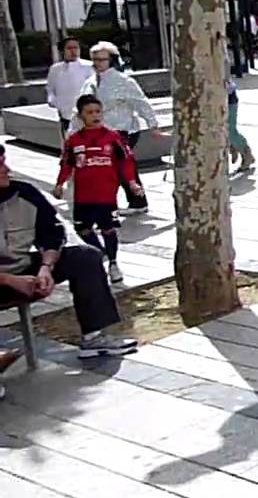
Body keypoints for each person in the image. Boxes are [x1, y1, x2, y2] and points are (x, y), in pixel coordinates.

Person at [0, 144, 138, 368]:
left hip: (23, 267)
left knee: (86, 257)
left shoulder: (25, 193)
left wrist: (46, 267)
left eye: (5, 162)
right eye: (0, 165)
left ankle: (94, 337)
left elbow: (52, 233)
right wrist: (9, 280)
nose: (7, 169)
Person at [53, 95, 142, 285]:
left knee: (108, 229)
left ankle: (113, 263)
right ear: (80, 116)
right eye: (89, 112)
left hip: (106, 195)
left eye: (97, 111)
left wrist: (132, 183)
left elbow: (125, 162)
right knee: (82, 228)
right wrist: (59, 183)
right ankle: (99, 252)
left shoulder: (113, 137)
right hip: (83, 196)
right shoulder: (74, 141)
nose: (95, 116)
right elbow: (67, 164)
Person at [77, 42, 158, 216]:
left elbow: (141, 102)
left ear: (111, 60)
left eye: (101, 59)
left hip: (122, 129)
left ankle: (135, 201)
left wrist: (153, 125)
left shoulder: (123, 81)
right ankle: (135, 201)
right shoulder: (90, 82)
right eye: (94, 59)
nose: (97, 63)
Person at [46, 37, 94, 135]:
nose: (73, 51)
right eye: (69, 48)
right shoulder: (55, 69)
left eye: (76, 48)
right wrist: (53, 101)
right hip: (65, 112)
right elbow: (50, 88)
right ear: (62, 51)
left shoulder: (89, 66)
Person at [225, 48, 254, 174]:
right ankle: (233, 147)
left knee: (229, 129)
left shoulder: (220, 55)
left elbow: (224, 76)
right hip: (208, 98)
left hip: (226, 96)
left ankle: (245, 153)